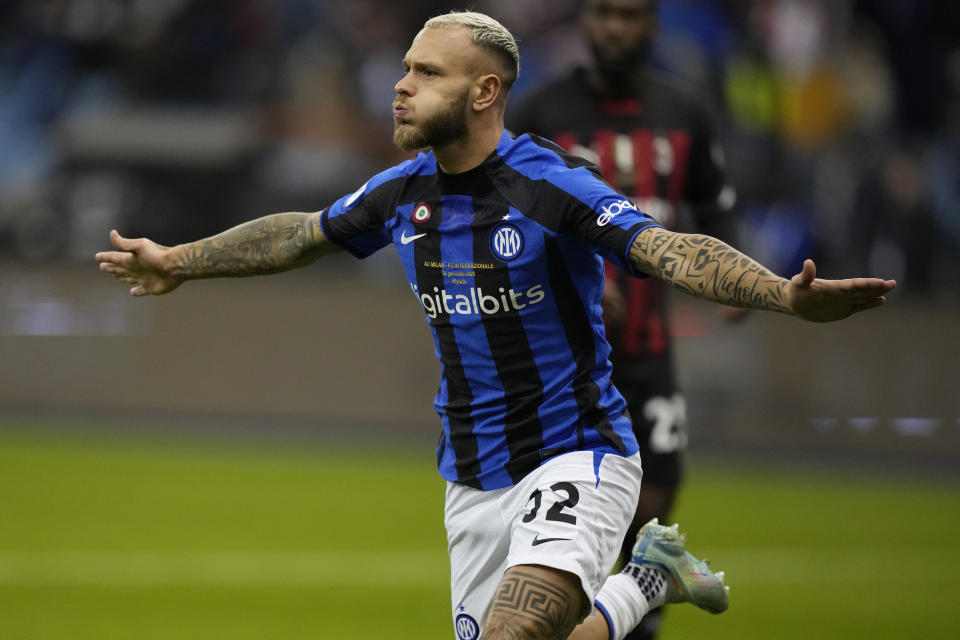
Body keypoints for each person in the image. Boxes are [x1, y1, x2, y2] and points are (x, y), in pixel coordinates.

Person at [95, 11, 895, 640]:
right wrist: (180, 261)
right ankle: (647, 579)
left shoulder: (551, 184)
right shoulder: (401, 190)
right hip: (472, 477)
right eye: (404, 68)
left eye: (426, 73)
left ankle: (639, 566)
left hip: (575, 454)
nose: (400, 87)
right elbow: (302, 234)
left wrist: (782, 297)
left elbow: (665, 248)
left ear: (484, 92)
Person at [507, 2, 743, 637]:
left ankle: (640, 616)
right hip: (560, 365)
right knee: (553, 535)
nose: (616, 28)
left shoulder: (685, 112)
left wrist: (739, 281)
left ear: (653, 26)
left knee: (657, 504)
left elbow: (716, 208)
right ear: (584, 22)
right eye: (605, 14)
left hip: (646, 352)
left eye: (630, 15)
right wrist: (574, 272)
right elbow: (506, 218)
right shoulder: (542, 113)